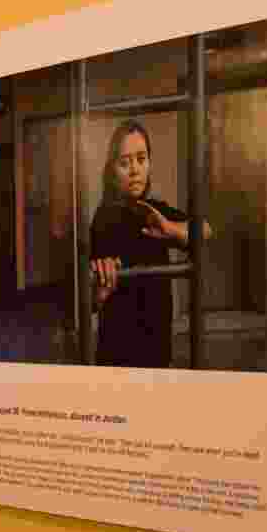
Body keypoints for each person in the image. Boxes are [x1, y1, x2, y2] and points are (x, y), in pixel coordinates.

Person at [89, 119, 213, 368]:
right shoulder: (102, 218)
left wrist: (170, 229)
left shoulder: (157, 211)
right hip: (117, 349)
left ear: (150, 163)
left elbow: (207, 229)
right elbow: (92, 299)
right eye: (124, 163)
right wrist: (100, 292)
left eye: (141, 159)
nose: (135, 169)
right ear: (112, 172)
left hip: (157, 345)